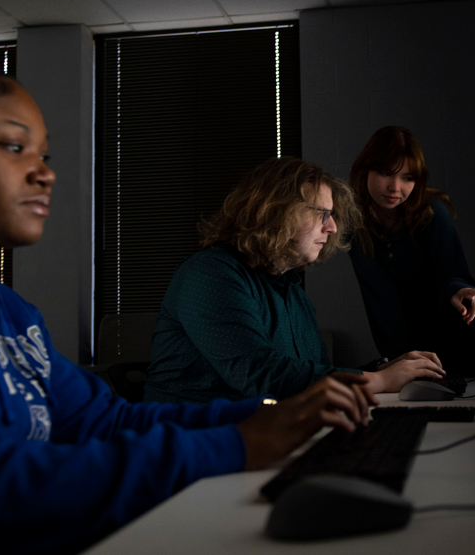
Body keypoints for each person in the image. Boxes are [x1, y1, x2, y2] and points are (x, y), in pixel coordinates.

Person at [0, 55, 375, 554]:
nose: (44, 174)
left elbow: (102, 423)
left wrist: (271, 418)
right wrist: (235, 445)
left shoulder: (12, 314)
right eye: (14, 147)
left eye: (46, 156)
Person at [144, 157, 446, 405]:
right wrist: (378, 381)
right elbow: (260, 375)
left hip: (256, 434)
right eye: (322, 213)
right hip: (192, 444)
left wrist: (382, 369)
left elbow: (312, 373)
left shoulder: (290, 289)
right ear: (275, 211)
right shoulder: (210, 274)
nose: (332, 227)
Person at [348, 126, 475, 375]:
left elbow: (452, 273)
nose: (395, 187)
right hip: (412, 358)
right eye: (386, 173)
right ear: (365, 171)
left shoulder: (432, 213)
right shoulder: (355, 226)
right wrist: (398, 360)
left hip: (464, 346)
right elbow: (378, 298)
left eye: (407, 177)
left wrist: (458, 289)